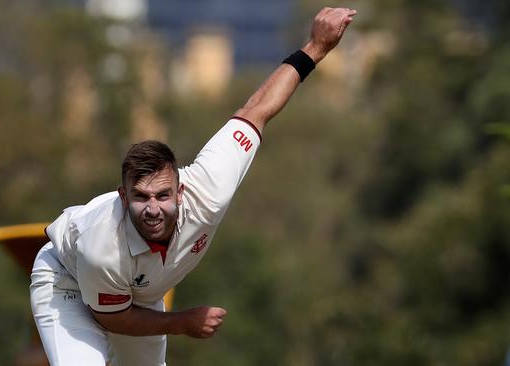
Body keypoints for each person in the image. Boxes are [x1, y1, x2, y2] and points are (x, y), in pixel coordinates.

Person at [30, 7, 357, 365]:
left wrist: (314, 48)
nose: (153, 208)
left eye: (162, 195)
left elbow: (258, 111)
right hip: (69, 284)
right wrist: (183, 322)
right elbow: (113, 318)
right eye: (140, 197)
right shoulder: (102, 243)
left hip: (137, 296)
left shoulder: (208, 188)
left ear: (181, 191)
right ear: (123, 197)